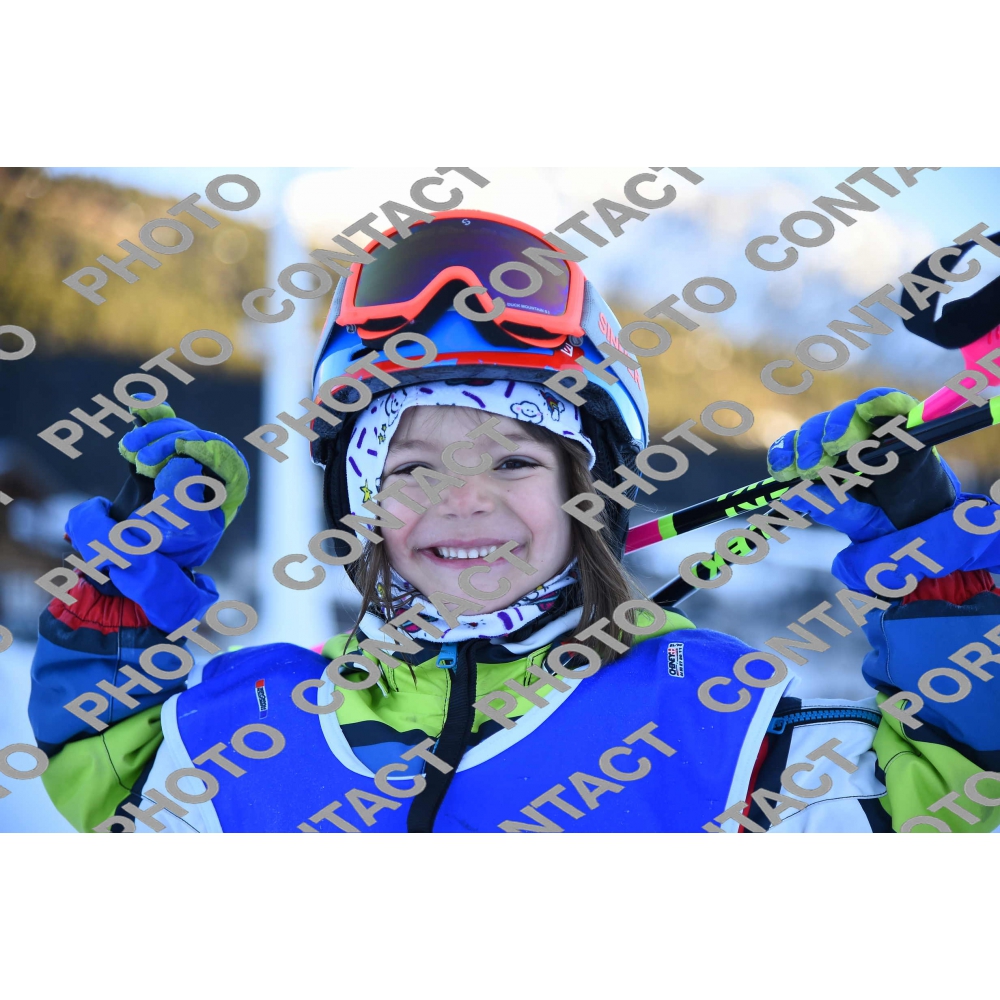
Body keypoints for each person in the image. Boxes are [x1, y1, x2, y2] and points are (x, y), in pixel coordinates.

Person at [29, 210, 1000, 833]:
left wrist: (930, 574)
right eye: (412, 467)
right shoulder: (242, 727)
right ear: (361, 505)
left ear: (591, 494)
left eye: (513, 460)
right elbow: (102, 778)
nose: (465, 498)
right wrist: (123, 590)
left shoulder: (721, 723)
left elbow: (953, 806)